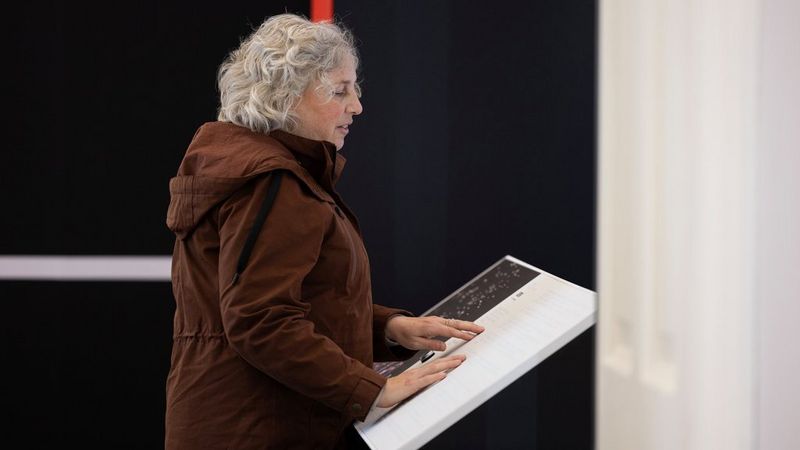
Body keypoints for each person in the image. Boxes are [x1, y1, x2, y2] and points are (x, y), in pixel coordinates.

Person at [164, 13, 484, 450]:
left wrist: (389, 329)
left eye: (355, 88)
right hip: (258, 429)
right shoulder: (272, 181)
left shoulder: (253, 169)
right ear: (286, 97)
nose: (357, 106)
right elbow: (261, 322)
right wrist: (373, 391)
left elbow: (290, 305)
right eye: (340, 91)